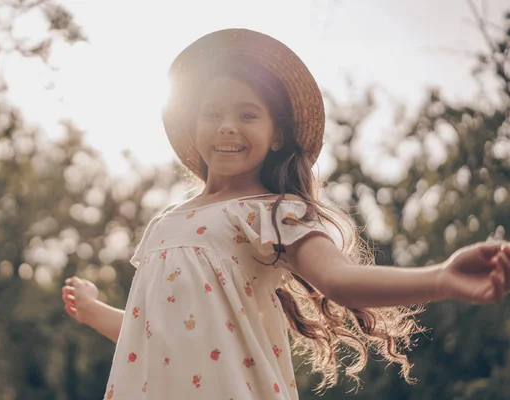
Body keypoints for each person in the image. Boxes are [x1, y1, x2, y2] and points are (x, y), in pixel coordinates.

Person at [61, 29, 510, 399]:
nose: (227, 125)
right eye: (212, 112)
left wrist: (441, 278)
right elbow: (154, 335)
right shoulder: (165, 224)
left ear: (277, 136)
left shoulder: (276, 213)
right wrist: (95, 311)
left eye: (248, 114)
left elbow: (340, 280)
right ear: (195, 127)